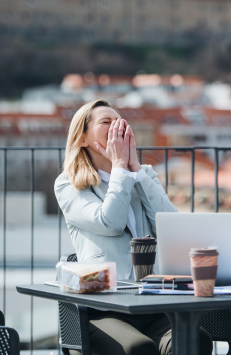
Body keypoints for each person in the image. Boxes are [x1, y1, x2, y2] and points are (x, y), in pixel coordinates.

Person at [55, 99, 213, 355]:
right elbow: (110, 222)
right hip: (103, 308)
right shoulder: (69, 184)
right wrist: (119, 168)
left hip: (152, 304)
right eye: (106, 122)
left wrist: (136, 170)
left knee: (195, 340)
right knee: (138, 349)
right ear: (82, 138)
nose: (117, 126)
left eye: (120, 122)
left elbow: (171, 227)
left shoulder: (144, 175)